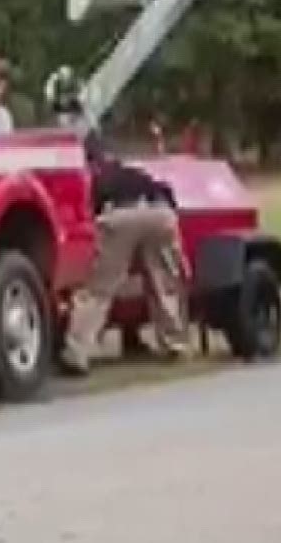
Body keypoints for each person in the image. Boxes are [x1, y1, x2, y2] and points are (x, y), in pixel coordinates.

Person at [59, 132, 190, 377]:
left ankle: (76, 353)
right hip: (159, 212)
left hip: (119, 216)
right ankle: (175, 343)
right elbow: (166, 192)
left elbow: (87, 214)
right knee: (165, 284)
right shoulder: (131, 171)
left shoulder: (93, 176)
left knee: (98, 289)